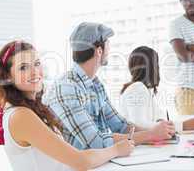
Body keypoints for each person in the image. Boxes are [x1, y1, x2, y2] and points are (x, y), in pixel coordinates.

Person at [0, 40, 135, 171]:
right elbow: (80, 161)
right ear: (8, 77)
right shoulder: (20, 116)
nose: (35, 72)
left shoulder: (31, 109)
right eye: (23, 67)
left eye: (36, 63)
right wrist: (116, 150)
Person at [43, 22, 175, 150]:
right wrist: (150, 134)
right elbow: (96, 142)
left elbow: (121, 126)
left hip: (101, 161)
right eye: (108, 43)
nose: (110, 48)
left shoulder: (95, 85)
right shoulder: (67, 87)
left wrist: (160, 130)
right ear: (99, 51)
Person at [119, 46, 194, 132]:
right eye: (156, 64)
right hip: (138, 143)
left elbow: (159, 116)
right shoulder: (137, 88)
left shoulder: (144, 89)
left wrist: (164, 122)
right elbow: (139, 124)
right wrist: (182, 126)